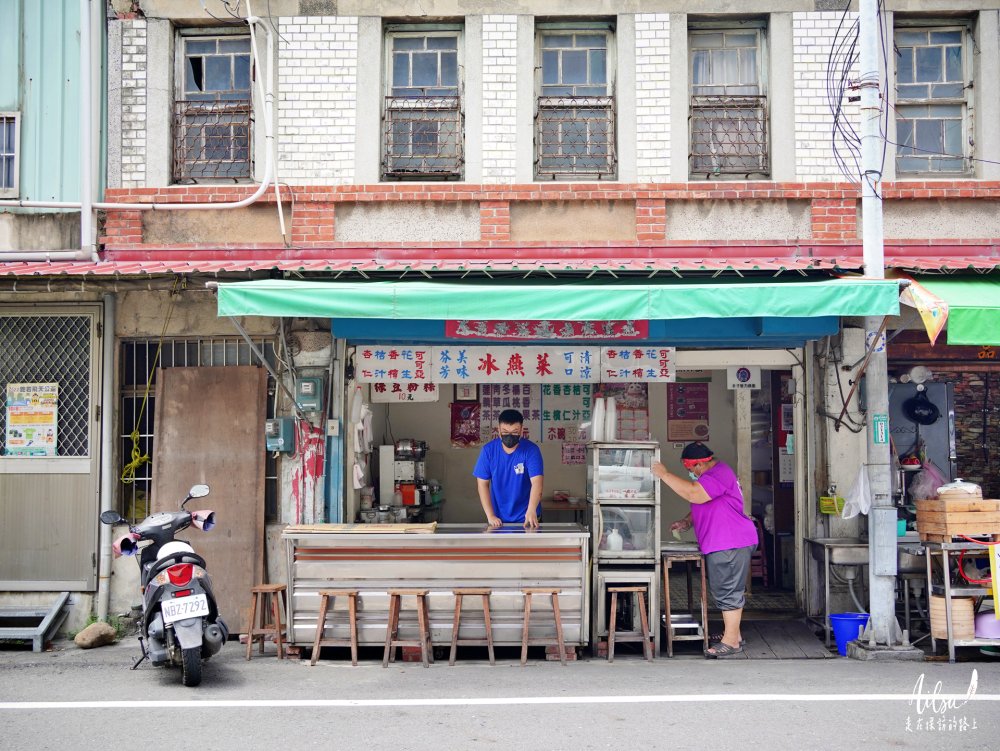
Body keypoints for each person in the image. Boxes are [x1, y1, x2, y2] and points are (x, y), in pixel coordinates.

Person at [651, 442, 758, 658]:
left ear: (700, 464)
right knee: (724, 589)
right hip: (724, 541)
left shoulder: (719, 473)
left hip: (730, 541)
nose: (691, 474)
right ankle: (733, 635)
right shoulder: (712, 476)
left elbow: (694, 495)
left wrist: (664, 474)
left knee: (728, 590)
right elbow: (706, 502)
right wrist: (687, 522)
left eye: (691, 469)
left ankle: (731, 642)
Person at [473, 409, 544, 528]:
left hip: (528, 517)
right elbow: (482, 484)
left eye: (515, 432)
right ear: (499, 430)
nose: (509, 436)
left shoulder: (531, 450)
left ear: (521, 430)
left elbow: (537, 483)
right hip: (498, 520)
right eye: (505, 431)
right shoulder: (488, 451)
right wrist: (490, 515)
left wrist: (531, 510)